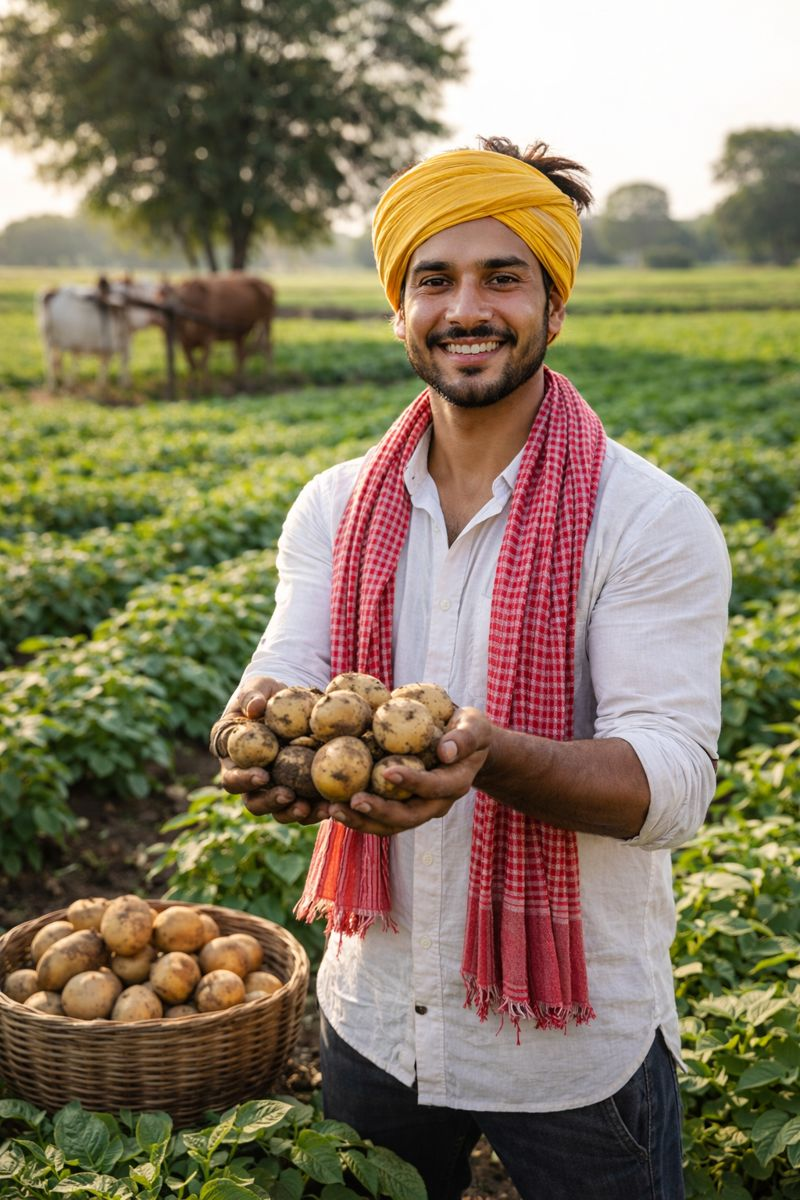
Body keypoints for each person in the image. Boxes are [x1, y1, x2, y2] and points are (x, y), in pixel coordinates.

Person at [211, 136, 731, 1200]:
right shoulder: (333, 507)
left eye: (503, 277)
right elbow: (285, 671)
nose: (467, 308)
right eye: (434, 280)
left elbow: (670, 784)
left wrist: (488, 756)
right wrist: (258, 732)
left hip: (572, 1036)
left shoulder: (647, 522)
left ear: (554, 305)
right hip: (374, 1010)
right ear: (397, 309)